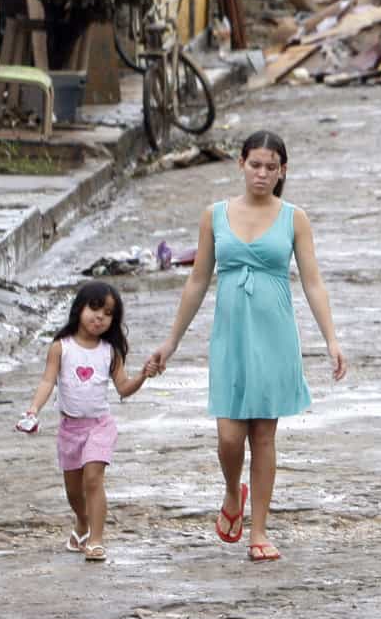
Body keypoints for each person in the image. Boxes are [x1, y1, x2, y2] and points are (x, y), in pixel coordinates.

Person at [146, 131, 347, 564]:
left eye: (271, 167)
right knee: (229, 436)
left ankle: (259, 530)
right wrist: (171, 341)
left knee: (264, 435)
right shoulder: (214, 215)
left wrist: (331, 338)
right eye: (255, 164)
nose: (262, 173)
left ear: (282, 171)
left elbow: (312, 280)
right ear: (241, 164)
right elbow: (198, 279)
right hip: (230, 337)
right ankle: (231, 493)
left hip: (275, 335)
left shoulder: (294, 218)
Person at [16, 280, 152, 561]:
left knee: (93, 478)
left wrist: (143, 376)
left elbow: (123, 388)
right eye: (94, 308)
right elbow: (47, 381)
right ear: (79, 308)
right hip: (70, 429)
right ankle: (82, 521)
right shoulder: (60, 347)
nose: (100, 316)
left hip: (99, 426)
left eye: (108, 313)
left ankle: (97, 540)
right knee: (74, 492)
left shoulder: (109, 352)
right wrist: (33, 410)